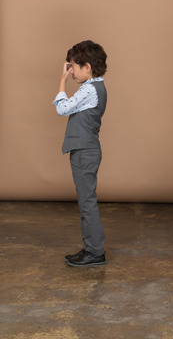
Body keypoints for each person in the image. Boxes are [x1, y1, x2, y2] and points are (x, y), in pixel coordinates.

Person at [53, 40, 107, 267]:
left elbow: (62, 108)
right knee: (86, 202)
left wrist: (62, 80)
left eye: (73, 67)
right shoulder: (95, 87)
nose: (71, 71)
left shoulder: (89, 89)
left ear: (87, 67)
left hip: (85, 152)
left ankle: (95, 252)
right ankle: (89, 248)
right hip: (85, 150)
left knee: (87, 203)